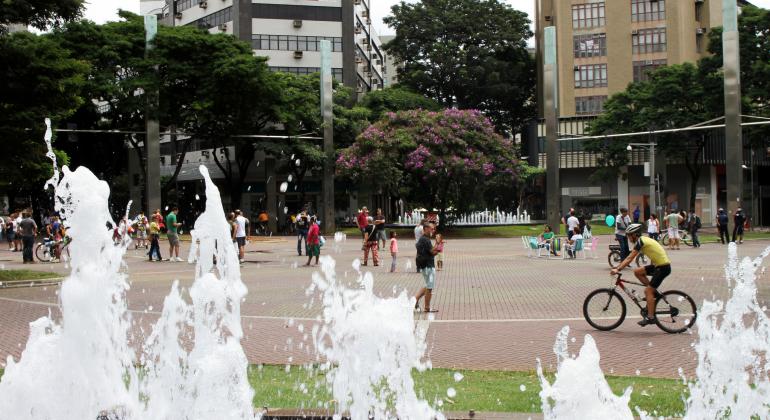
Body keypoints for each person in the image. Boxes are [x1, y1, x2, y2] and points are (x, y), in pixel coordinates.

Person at [611, 223, 672, 327]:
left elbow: (630, 258)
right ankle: (653, 292)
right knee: (637, 272)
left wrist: (618, 268)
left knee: (647, 290)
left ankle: (651, 317)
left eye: (629, 235)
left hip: (663, 267)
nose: (629, 238)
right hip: (659, 266)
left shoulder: (641, 241)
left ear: (634, 234)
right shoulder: (643, 240)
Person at [414, 223, 439, 313]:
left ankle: (414, 300)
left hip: (424, 265)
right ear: (426, 229)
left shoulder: (423, 239)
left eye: (434, 229)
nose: (433, 230)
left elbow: (430, 251)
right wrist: (439, 246)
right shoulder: (426, 240)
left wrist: (437, 245)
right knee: (429, 287)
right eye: (432, 229)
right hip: (428, 266)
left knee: (427, 285)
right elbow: (432, 252)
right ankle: (427, 308)